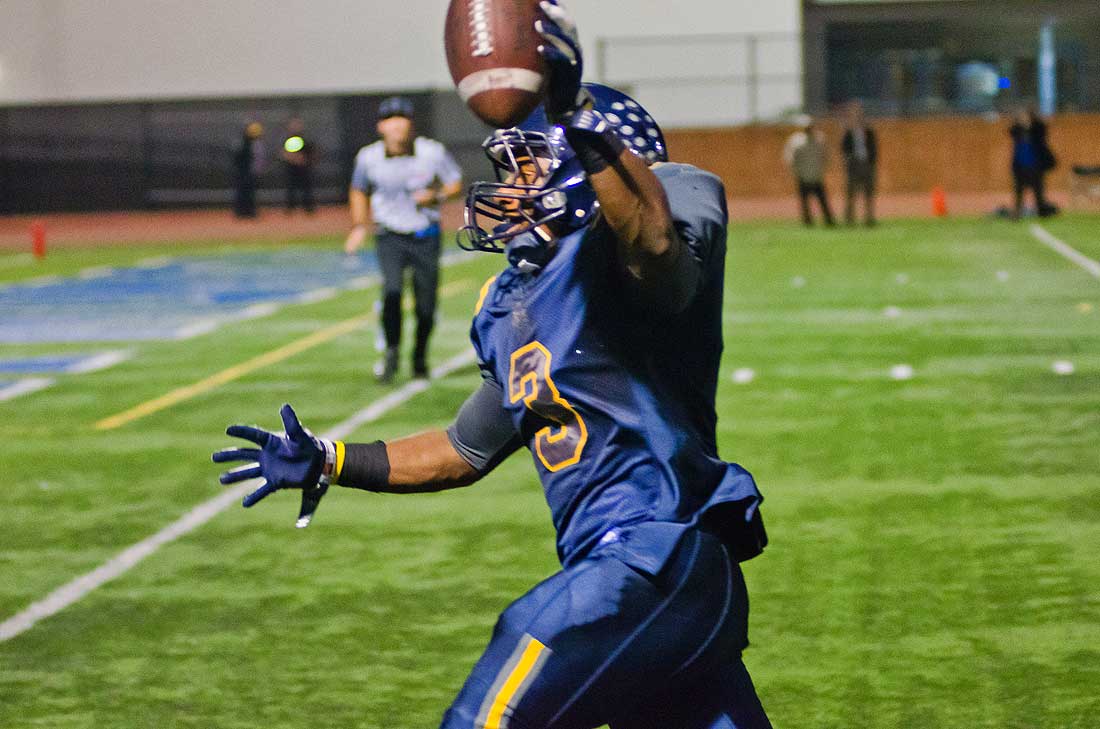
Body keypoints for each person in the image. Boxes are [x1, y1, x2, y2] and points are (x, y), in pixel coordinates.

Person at [213, 2, 771, 728]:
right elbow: (462, 447)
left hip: (658, 554)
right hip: (634, 588)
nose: (510, 187)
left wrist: (573, 111)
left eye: (531, 166)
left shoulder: (669, 205)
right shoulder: (513, 300)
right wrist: (332, 458)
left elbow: (655, 250)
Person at [344, 96, 464, 381]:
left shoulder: (431, 152)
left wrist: (436, 196)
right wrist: (360, 225)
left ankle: (420, 355)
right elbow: (358, 189)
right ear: (381, 127)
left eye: (403, 119)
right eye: (391, 120)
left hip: (425, 234)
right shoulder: (368, 157)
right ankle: (391, 354)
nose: (398, 126)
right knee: (392, 292)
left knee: (425, 305)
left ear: (411, 124)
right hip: (390, 235)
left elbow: (455, 184)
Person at [783, 115, 834, 227]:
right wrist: (796, 172)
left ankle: (829, 221)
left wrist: (823, 169)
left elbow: (826, 156)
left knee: (822, 200)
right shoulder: (796, 141)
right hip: (803, 175)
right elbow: (790, 158)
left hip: (816, 175)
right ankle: (808, 221)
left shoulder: (820, 139)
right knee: (805, 202)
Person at [1010, 108, 1057, 219]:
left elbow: (1042, 131)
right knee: (1019, 190)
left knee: (1038, 190)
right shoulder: (1018, 131)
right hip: (1020, 166)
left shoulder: (1037, 129)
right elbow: (1011, 131)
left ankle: (1042, 212)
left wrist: (1030, 126)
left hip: (1036, 165)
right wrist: (1021, 125)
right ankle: (1017, 212)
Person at [841, 101, 878, 227]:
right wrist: (849, 161)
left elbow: (874, 147)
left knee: (869, 192)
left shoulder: (868, 131)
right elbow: (843, 149)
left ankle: (869, 218)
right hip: (853, 165)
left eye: (860, 114)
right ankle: (849, 218)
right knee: (851, 193)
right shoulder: (848, 132)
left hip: (867, 164)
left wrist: (872, 162)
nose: (858, 116)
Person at [281, 117, 316, 214]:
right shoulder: (288, 140)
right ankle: (290, 208)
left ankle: (308, 208)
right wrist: (293, 158)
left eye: (297, 126)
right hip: (292, 169)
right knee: (291, 189)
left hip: (303, 169)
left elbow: (311, 153)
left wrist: (304, 159)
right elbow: (283, 153)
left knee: (306, 189)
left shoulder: (305, 140)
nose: (295, 128)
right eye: (293, 126)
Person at [233, 121, 265, 219]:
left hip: (250, 173)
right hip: (245, 173)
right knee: (244, 193)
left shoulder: (255, 144)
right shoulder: (245, 144)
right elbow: (239, 159)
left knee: (249, 193)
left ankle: (248, 212)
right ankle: (243, 212)